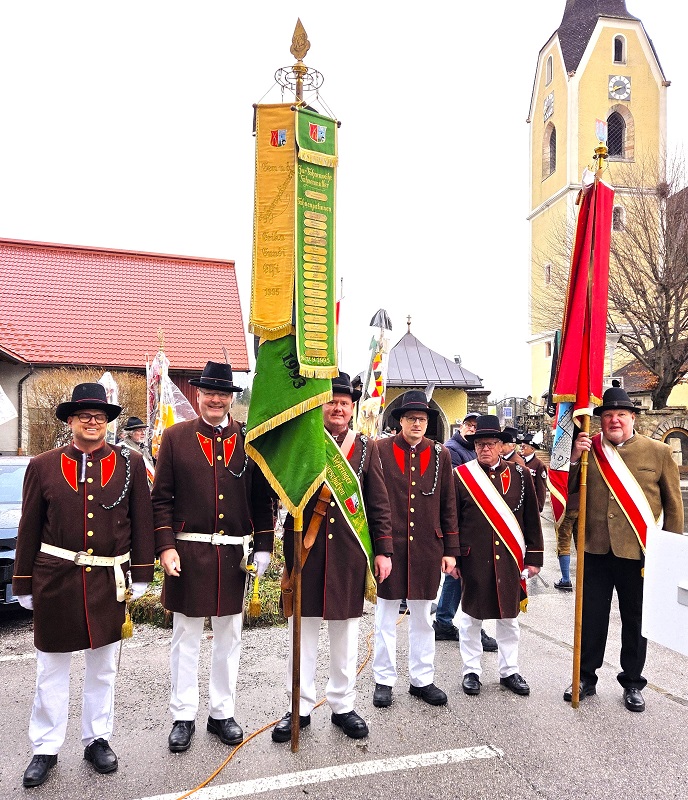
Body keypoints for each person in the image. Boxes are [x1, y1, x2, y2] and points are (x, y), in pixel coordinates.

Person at [13, 383, 154, 788]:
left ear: (108, 422)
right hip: (55, 578)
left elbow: (142, 522)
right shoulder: (42, 465)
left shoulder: (130, 465)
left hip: (109, 580)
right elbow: (29, 526)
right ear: (70, 421)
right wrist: (23, 581)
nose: (93, 422)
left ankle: (97, 739)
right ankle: (45, 747)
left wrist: (142, 572)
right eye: (84, 415)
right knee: (51, 669)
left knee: (104, 668)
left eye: (100, 416)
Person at [152, 361, 274, 752]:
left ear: (231, 398)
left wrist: (265, 545)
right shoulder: (175, 438)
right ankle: (183, 716)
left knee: (229, 638)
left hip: (234, 556)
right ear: (199, 394)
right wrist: (165, 546)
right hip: (187, 553)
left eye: (223, 393)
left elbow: (262, 499)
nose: (216, 399)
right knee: (185, 638)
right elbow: (161, 499)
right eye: (209, 392)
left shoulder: (249, 439)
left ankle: (222, 713)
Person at [273, 372, 392, 742]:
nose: (337, 408)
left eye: (344, 403)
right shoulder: (303, 440)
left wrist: (384, 550)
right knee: (302, 634)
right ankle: (299, 707)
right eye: (331, 402)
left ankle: (343, 706)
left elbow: (378, 502)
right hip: (306, 552)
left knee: (346, 635)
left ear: (352, 408)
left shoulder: (367, 448)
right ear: (320, 405)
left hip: (347, 553)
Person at [563, 387, 683, 712]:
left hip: (639, 553)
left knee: (635, 621)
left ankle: (632, 682)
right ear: (600, 420)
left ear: (633, 418)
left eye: (621, 414)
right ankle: (585, 677)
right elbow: (567, 492)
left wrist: (669, 558)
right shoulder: (589, 450)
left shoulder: (658, 452)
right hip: (595, 549)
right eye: (607, 415)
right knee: (591, 618)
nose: (614, 420)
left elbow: (673, 507)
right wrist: (573, 460)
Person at [372, 391, 458, 709]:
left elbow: (448, 503)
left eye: (422, 419)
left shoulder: (440, 454)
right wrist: (378, 546)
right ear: (401, 421)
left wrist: (450, 549)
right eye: (411, 419)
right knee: (385, 616)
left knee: (422, 617)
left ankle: (422, 680)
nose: (417, 424)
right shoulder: (380, 449)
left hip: (426, 548)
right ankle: (384, 680)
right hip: (390, 547)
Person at [454, 415, 543, 697]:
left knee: (509, 619)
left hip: (509, 558)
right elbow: (452, 520)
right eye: (479, 444)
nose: (485, 449)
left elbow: (531, 518)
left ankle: (509, 671)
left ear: (501, 445)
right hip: (473, 558)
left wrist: (534, 557)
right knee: (471, 618)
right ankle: (471, 671)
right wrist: (452, 556)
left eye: (490, 443)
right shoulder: (461, 476)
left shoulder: (520, 474)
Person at [435, 413, 497, 653]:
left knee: (457, 576)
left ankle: (444, 620)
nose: (472, 429)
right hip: (464, 520)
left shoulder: (471, 449)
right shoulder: (452, 450)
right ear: (461, 427)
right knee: (466, 576)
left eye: (476, 426)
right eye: (469, 425)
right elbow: (456, 488)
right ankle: (470, 627)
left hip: (473, 521)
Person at [119, 416, 155, 489]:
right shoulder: (122, 449)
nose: (143, 433)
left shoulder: (144, 448)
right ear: (130, 433)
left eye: (144, 430)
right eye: (139, 431)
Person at [554, 491, 578, 591]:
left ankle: (566, 579)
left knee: (564, 544)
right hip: (583, 504)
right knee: (582, 544)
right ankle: (585, 577)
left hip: (566, 505)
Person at [520, 433, 548, 513]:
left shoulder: (539, 465)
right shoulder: (518, 460)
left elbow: (541, 488)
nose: (521, 448)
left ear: (532, 449)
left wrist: (539, 506)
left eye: (524, 447)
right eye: (521, 446)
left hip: (531, 503)